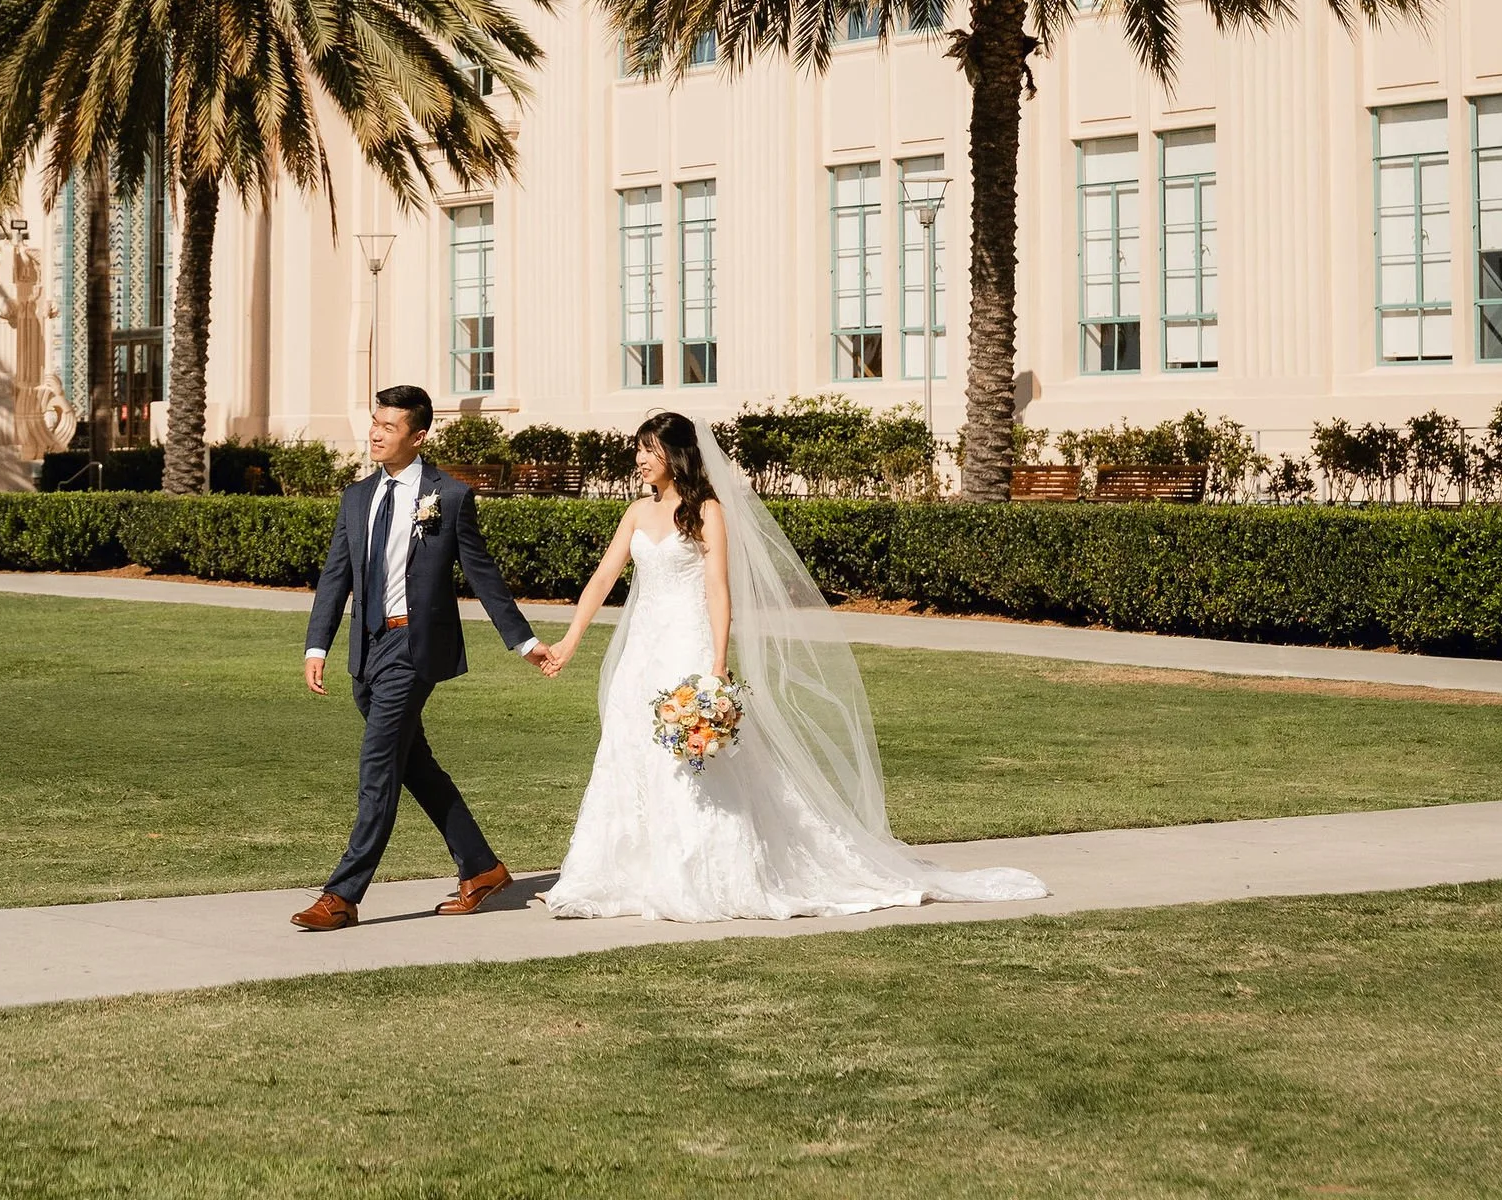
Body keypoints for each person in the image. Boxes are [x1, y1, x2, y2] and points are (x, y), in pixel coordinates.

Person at [541, 409, 1048, 921]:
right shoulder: (635, 514)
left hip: (686, 646)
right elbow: (603, 580)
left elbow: (718, 588)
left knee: (694, 761)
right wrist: (570, 641)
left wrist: (716, 664)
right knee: (628, 750)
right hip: (642, 652)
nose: (641, 459)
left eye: (651, 449)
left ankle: (701, 875)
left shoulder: (707, 511)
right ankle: (625, 872)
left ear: (676, 455)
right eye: (640, 448)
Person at [292, 384, 556, 933]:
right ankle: (482, 868)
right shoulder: (357, 496)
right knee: (415, 766)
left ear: (419, 436)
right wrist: (318, 644)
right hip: (367, 650)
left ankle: (341, 895)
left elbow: (483, 577)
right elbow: (335, 576)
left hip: (414, 649)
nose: (375, 434)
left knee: (378, 765)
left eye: (389, 427)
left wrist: (524, 642)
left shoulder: (450, 496)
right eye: (374, 422)